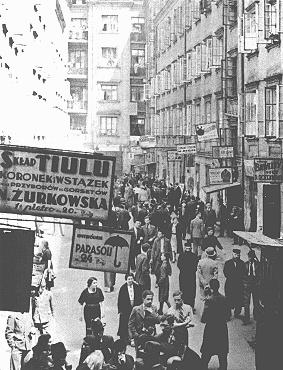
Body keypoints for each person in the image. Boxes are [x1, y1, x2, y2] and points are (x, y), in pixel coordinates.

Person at [200, 279, 230, 370]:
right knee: (222, 353)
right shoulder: (225, 299)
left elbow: (203, 318)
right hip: (222, 328)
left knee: (207, 352)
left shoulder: (209, 300)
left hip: (211, 328)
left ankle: (202, 367)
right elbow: (228, 316)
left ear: (211, 287)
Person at [117, 273, 142, 345]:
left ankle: (134, 338)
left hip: (134, 307)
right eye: (129, 279)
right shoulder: (123, 288)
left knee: (134, 322)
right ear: (126, 280)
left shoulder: (137, 287)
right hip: (126, 309)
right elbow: (120, 300)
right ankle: (124, 338)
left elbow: (139, 297)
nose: (130, 280)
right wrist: (120, 310)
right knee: (125, 323)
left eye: (131, 279)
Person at [223, 248, 246, 319]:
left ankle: (237, 313)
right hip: (230, 284)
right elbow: (225, 272)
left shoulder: (242, 263)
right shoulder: (228, 263)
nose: (236, 256)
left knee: (238, 299)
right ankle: (228, 314)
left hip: (239, 284)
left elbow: (244, 273)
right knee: (229, 299)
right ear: (232, 254)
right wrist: (233, 277)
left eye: (238, 255)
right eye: (235, 254)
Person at [177, 241, 198, 309]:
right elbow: (196, 267)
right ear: (191, 248)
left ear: (184, 248)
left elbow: (179, 265)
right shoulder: (194, 256)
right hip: (191, 276)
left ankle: (184, 306)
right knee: (191, 291)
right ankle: (191, 306)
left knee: (183, 291)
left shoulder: (181, 255)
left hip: (183, 276)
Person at [243, 249, 261, 324]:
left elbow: (260, 275)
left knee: (256, 302)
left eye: (251, 257)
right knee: (246, 303)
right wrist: (244, 284)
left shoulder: (258, 264)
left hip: (255, 285)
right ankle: (246, 319)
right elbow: (242, 276)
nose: (249, 258)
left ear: (253, 257)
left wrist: (258, 284)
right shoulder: (245, 264)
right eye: (249, 257)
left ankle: (256, 316)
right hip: (247, 285)